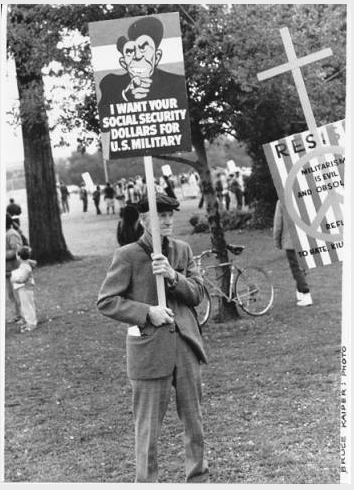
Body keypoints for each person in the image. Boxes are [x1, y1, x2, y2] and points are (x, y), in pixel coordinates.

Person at [97, 194, 209, 483]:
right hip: (148, 351)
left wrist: (173, 276)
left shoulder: (182, 250)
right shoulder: (128, 255)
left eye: (171, 213)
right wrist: (148, 312)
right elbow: (107, 301)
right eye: (160, 215)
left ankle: (198, 477)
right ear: (144, 219)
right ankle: (146, 483)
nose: (168, 219)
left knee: (194, 421)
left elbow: (197, 294)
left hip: (185, 347)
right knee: (147, 427)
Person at [97, 16, 190, 159]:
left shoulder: (176, 82)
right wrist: (125, 97)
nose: (137, 56)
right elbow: (105, 125)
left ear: (157, 57)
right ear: (123, 62)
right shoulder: (110, 84)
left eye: (144, 48)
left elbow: (181, 125)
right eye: (130, 51)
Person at [273, 200, 313, 306]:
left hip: (290, 240)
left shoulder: (282, 201)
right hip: (304, 238)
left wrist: (277, 241)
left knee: (296, 269)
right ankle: (300, 292)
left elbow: (278, 223)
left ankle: (306, 294)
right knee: (302, 267)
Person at [10, 246, 38, 333]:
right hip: (24, 289)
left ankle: (31, 324)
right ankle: (29, 322)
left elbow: (23, 279)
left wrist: (14, 279)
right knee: (26, 305)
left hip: (25, 288)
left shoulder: (25, 267)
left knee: (27, 306)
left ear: (19, 256)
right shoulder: (24, 264)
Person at [6, 213, 23, 323]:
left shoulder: (11, 234)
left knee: (18, 294)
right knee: (11, 295)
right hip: (7, 271)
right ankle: (17, 315)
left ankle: (23, 315)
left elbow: (17, 250)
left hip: (14, 269)